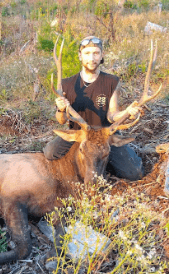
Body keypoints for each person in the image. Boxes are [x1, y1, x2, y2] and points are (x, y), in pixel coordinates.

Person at [43, 36, 144, 181]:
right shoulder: (67, 84)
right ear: (80, 56)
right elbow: (61, 120)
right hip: (80, 133)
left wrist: (128, 112)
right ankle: (95, 159)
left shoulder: (111, 81)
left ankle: (103, 159)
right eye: (87, 53)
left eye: (96, 53)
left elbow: (112, 115)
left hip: (104, 134)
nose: (92, 58)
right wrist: (60, 109)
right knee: (50, 152)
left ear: (102, 55)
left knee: (135, 173)